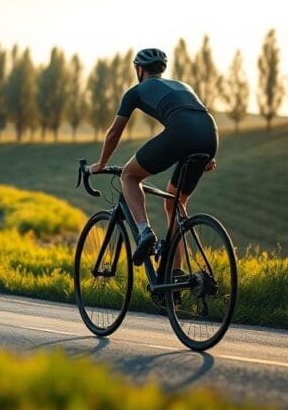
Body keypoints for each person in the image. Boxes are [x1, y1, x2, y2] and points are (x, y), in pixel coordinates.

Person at [88, 48, 218, 266]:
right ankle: (174, 278)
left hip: (181, 131)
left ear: (139, 70)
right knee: (175, 204)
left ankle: (144, 231)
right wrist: (206, 154)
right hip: (210, 134)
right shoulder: (183, 86)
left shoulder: (136, 91)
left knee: (129, 176)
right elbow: (196, 117)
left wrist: (101, 164)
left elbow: (114, 132)